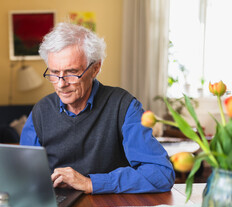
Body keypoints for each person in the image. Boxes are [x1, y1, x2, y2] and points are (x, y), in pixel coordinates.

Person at [20, 22, 175, 194]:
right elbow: (24, 175)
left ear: (95, 68)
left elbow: (161, 174)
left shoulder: (123, 107)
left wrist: (91, 183)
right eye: (55, 73)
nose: (61, 84)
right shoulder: (40, 112)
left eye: (71, 72)